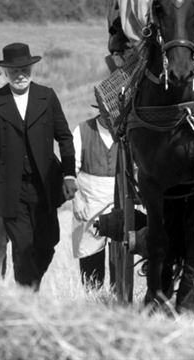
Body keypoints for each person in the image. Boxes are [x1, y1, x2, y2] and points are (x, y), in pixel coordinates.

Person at [0, 42, 77, 290]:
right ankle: (26, 293)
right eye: (14, 71)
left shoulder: (47, 96)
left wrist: (69, 174)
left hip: (44, 185)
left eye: (24, 70)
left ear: (31, 69)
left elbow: (64, 137)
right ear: (6, 73)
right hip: (10, 187)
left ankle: (30, 285)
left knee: (47, 243)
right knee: (21, 245)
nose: (20, 75)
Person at [70, 114, 117, 290]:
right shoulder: (83, 130)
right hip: (89, 202)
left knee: (119, 257)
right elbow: (69, 170)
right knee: (90, 259)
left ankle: (117, 301)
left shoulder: (127, 130)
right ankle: (93, 301)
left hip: (119, 203)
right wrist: (76, 199)